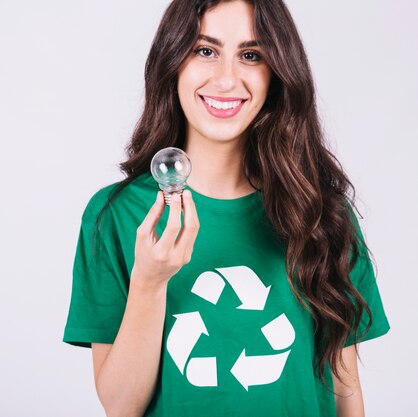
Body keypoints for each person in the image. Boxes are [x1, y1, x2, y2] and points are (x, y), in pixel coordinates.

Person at [62, 0, 390, 416]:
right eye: (205, 50)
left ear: (276, 73)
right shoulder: (117, 216)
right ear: (173, 61)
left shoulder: (322, 215)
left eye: (251, 56)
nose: (226, 78)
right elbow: (121, 406)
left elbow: (346, 392)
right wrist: (150, 280)